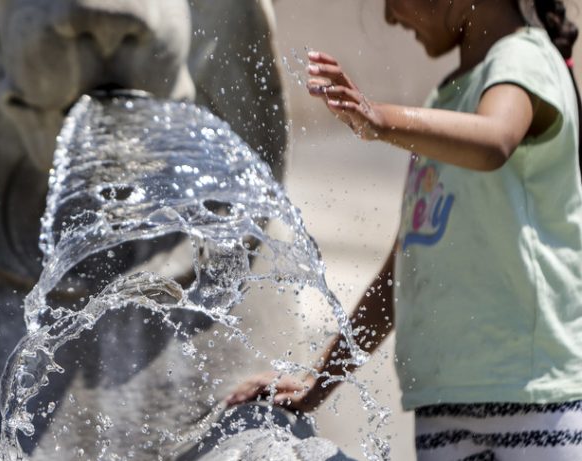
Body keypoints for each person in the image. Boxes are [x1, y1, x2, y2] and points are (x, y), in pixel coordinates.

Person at [226, 0, 582, 459]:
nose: (391, 17)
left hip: (534, 400)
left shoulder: (524, 60)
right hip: (443, 402)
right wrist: (319, 379)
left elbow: (495, 139)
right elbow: (402, 275)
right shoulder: (447, 100)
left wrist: (379, 119)